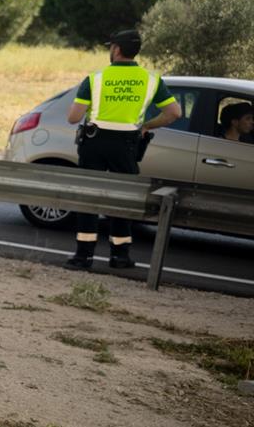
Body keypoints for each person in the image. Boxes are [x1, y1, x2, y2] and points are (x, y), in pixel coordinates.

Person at [62, 29, 181, 270]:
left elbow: (73, 118)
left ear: (116, 49)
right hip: (127, 144)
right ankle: (120, 256)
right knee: (124, 197)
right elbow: (174, 113)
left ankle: (83, 256)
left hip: (94, 143)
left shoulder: (96, 78)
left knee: (88, 197)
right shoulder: (151, 80)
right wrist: (146, 125)